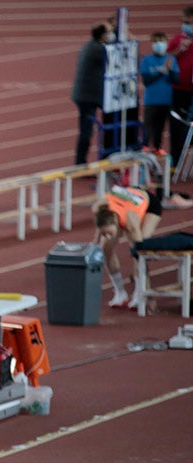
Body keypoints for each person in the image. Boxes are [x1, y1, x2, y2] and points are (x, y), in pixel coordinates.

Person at [92, 185, 164, 309]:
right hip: (125, 198)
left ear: (117, 224)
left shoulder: (130, 222)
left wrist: (149, 294)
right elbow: (100, 227)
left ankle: (139, 292)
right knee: (105, 249)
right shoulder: (98, 208)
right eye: (105, 233)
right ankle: (120, 293)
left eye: (110, 233)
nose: (108, 236)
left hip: (149, 205)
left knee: (140, 251)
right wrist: (97, 241)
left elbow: (140, 253)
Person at [71, 22, 112, 165]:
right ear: (102, 35)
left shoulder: (90, 46)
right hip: (88, 96)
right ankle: (80, 163)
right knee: (86, 130)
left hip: (84, 95)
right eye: (109, 33)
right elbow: (115, 60)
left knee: (86, 129)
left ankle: (81, 162)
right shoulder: (98, 50)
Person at [141, 32, 179, 153]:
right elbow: (147, 81)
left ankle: (157, 148)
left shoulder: (171, 59)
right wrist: (162, 71)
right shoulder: (147, 60)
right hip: (151, 101)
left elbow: (176, 80)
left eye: (161, 42)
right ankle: (145, 148)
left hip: (166, 100)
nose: (159, 45)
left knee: (160, 128)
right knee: (148, 128)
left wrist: (171, 70)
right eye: (156, 42)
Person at [168, 7, 193, 168]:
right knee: (176, 127)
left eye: (189, 23)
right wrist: (178, 51)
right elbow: (166, 61)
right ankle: (174, 163)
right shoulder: (177, 40)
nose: (186, 26)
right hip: (177, 90)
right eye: (184, 22)